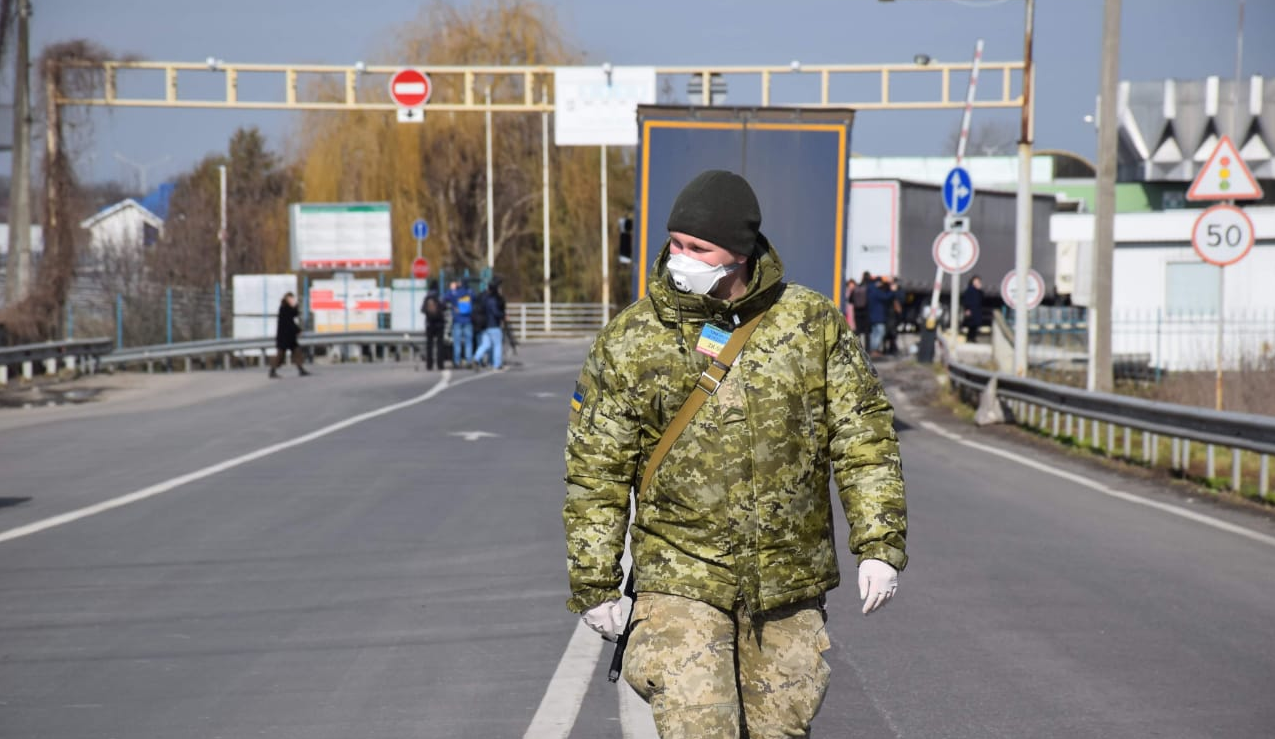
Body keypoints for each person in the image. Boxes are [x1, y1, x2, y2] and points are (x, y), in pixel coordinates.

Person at [564, 169, 908, 738]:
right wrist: (595, 583)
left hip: (788, 579)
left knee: (780, 730)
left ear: (740, 253)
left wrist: (879, 544)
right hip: (680, 574)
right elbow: (596, 470)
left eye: (698, 247)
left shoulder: (810, 324)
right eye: (676, 243)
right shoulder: (633, 338)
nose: (681, 257)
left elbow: (862, 437)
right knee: (701, 728)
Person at [269, 292, 310, 378]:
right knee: (280, 355)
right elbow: (289, 323)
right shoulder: (284, 308)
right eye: (291, 299)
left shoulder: (288, 308)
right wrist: (297, 330)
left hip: (290, 337)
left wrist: (295, 305)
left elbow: (295, 314)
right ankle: (272, 370)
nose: (292, 300)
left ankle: (301, 369)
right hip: (284, 337)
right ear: (287, 299)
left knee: (297, 352)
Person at [472, 277, 507, 370]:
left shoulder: (484, 299)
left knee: (485, 344)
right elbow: (496, 312)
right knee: (497, 345)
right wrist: (502, 315)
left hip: (485, 325)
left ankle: (476, 357)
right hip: (494, 325)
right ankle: (497, 364)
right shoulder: (494, 300)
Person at [444, 279, 476, 368]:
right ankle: (469, 361)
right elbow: (475, 298)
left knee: (457, 343)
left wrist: (452, 288)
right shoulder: (470, 292)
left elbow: (445, 297)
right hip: (468, 320)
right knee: (468, 342)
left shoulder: (455, 293)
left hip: (457, 320)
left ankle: (457, 362)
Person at [420, 281, 447, 370]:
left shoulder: (427, 297)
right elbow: (444, 307)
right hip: (439, 323)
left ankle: (429, 365)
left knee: (429, 345)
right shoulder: (439, 296)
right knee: (440, 345)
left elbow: (422, 309)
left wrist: (429, 313)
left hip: (429, 324)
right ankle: (440, 365)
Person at [962, 274, 985, 343]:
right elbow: (966, 299)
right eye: (975, 281)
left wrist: (980, 290)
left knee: (976, 325)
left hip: (977, 310)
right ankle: (969, 338)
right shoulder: (969, 290)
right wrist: (967, 309)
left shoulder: (979, 291)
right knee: (971, 325)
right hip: (971, 309)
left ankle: (973, 337)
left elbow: (982, 299)